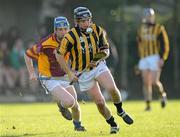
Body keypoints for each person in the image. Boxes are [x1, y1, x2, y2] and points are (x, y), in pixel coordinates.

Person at [55, 7, 133, 134]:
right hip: (83, 73)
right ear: (77, 22)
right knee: (100, 102)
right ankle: (113, 124)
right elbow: (59, 55)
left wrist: (97, 59)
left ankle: (120, 110)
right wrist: (69, 72)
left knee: (112, 89)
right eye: (83, 21)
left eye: (88, 20)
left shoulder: (97, 30)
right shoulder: (70, 36)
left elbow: (106, 50)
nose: (86, 23)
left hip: (99, 66)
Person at [24, 16, 86, 131]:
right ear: (55, 30)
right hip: (49, 77)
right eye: (60, 29)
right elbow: (27, 55)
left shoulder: (71, 41)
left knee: (75, 105)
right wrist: (32, 73)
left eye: (65, 29)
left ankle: (78, 126)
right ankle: (62, 107)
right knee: (69, 102)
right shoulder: (46, 43)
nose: (63, 32)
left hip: (64, 75)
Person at [136, 8, 170, 111]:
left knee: (155, 82)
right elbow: (139, 45)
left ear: (153, 17)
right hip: (144, 58)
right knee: (146, 82)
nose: (149, 18)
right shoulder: (140, 29)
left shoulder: (159, 28)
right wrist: (139, 61)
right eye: (147, 16)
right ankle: (148, 105)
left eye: (150, 16)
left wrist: (162, 58)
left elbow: (165, 45)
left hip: (155, 57)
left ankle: (162, 95)